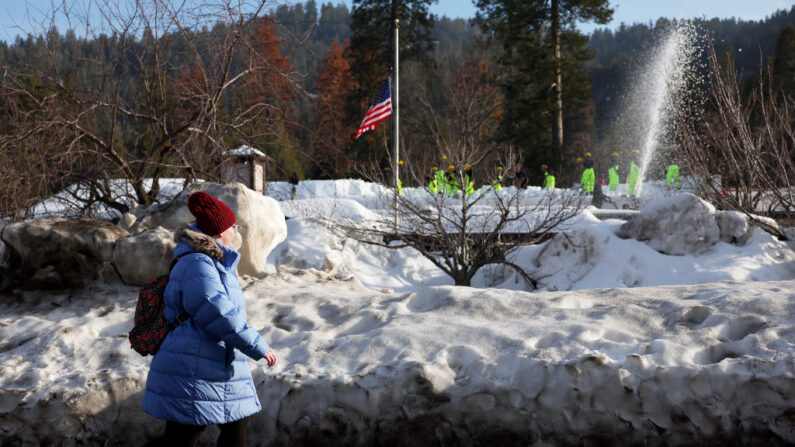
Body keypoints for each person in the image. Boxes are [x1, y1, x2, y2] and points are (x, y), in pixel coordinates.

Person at [142, 191, 277, 447]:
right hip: (195, 364)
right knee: (182, 437)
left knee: (236, 425)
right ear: (221, 231)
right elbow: (219, 313)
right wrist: (258, 346)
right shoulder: (199, 264)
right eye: (232, 226)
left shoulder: (213, 262)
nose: (235, 231)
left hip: (215, 363)